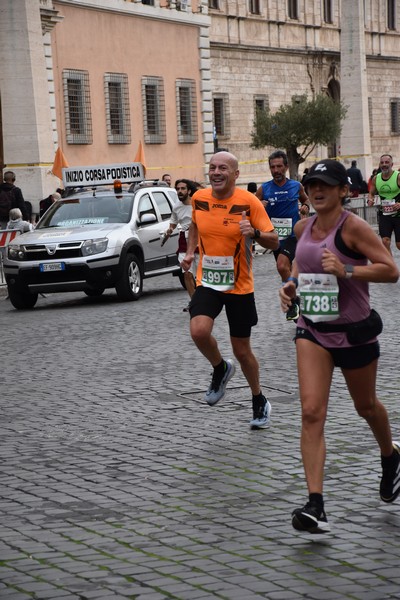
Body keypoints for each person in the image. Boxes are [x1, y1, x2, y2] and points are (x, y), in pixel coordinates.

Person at [279, 158, 400, 534]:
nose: (317, 190)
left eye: (326, 185)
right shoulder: (303, 227)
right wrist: (291, 287)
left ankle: (390, 455)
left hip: (354, 332)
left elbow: (391, 270)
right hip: (312, 329)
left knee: (366, 406)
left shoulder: (354, 228)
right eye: (312, 184)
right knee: (312, 412)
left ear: (344, 191)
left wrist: (347, 270)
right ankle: (315, 504)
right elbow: (300, 265)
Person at [181, 151, 279, 429]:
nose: (216, 172)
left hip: (239, 285)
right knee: (198, 331)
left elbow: (274, 240)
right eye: (212, 167)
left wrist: (256, 234)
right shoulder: (199, 198)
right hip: (209, 280)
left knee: (242, 350)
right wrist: (190, 252)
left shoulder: (249, 203)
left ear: (236, 174)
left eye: (223, 168)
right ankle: (220, 368)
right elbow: (194, 227)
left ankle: (259, 399)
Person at [256, 150, 309, 321]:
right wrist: (259, 207)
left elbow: (306, 200)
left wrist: (305, 207)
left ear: (286, 167)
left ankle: (291, 304)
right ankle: (295, 299)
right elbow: (252, 211)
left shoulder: (296, 186)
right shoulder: (263, 189)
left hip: (292, 235)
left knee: (281, 266)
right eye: (273, 167)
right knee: (283, 270)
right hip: (274, 237)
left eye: (279, 166)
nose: (276, 170)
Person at [161, 178, 199, 312]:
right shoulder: (176, 207)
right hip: (184, 239)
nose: (180, 191)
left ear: (189, 191)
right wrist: (169, 231)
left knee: (200, 273)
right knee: (187, 272)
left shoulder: (197, 203)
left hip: (199, 239)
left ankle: (204, 299)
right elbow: (173, 223)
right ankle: (194, 302)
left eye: (183, 189)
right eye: (178, 189)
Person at [367, 154, 400, 253]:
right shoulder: (376, 179)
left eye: (387, 162)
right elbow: (371, 193)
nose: (384, 164)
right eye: (382, 162)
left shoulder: (398, 176)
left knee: (399, 245)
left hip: (399, 215)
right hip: (385, 214)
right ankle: (391, 267)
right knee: (385, 242)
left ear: (392, 164)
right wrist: (370, 199)